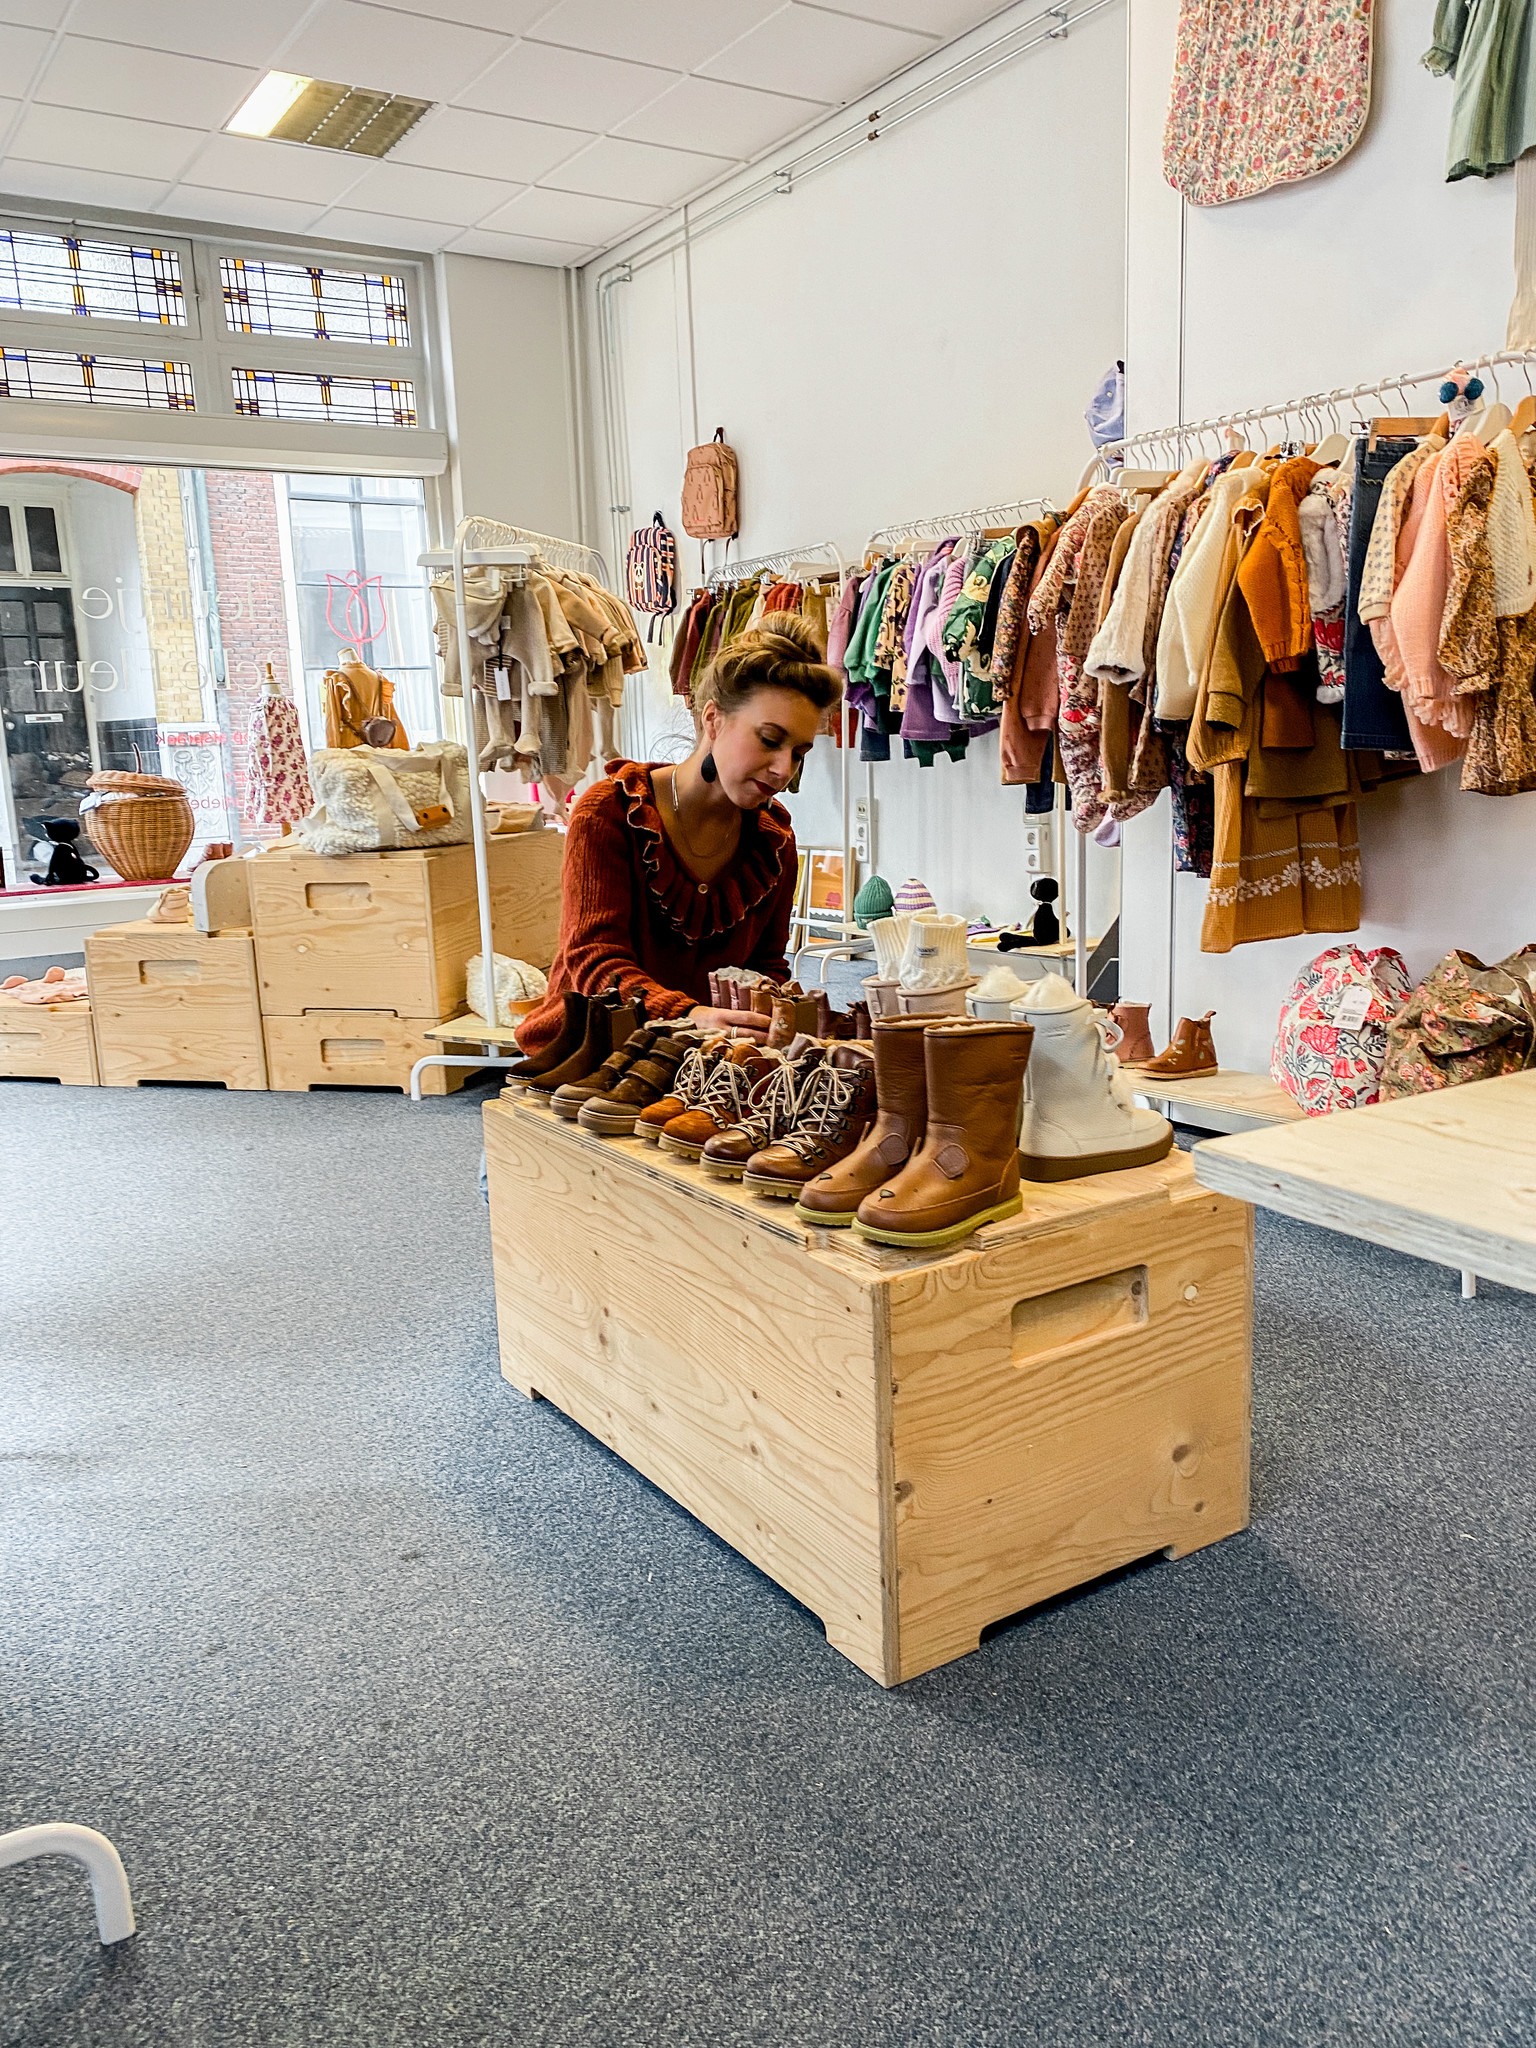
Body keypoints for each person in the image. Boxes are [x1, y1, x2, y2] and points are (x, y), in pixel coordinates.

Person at [513, 615, 841, 1057]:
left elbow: (765, 964)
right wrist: (688, 1015)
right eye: (769, 740)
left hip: (705, 1057)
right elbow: (593, 961)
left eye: (798, 752)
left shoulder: (773, 840)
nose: (785, 769)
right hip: (591, 1050)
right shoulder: (609, 813)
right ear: (713, 720)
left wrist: (771, 1014)